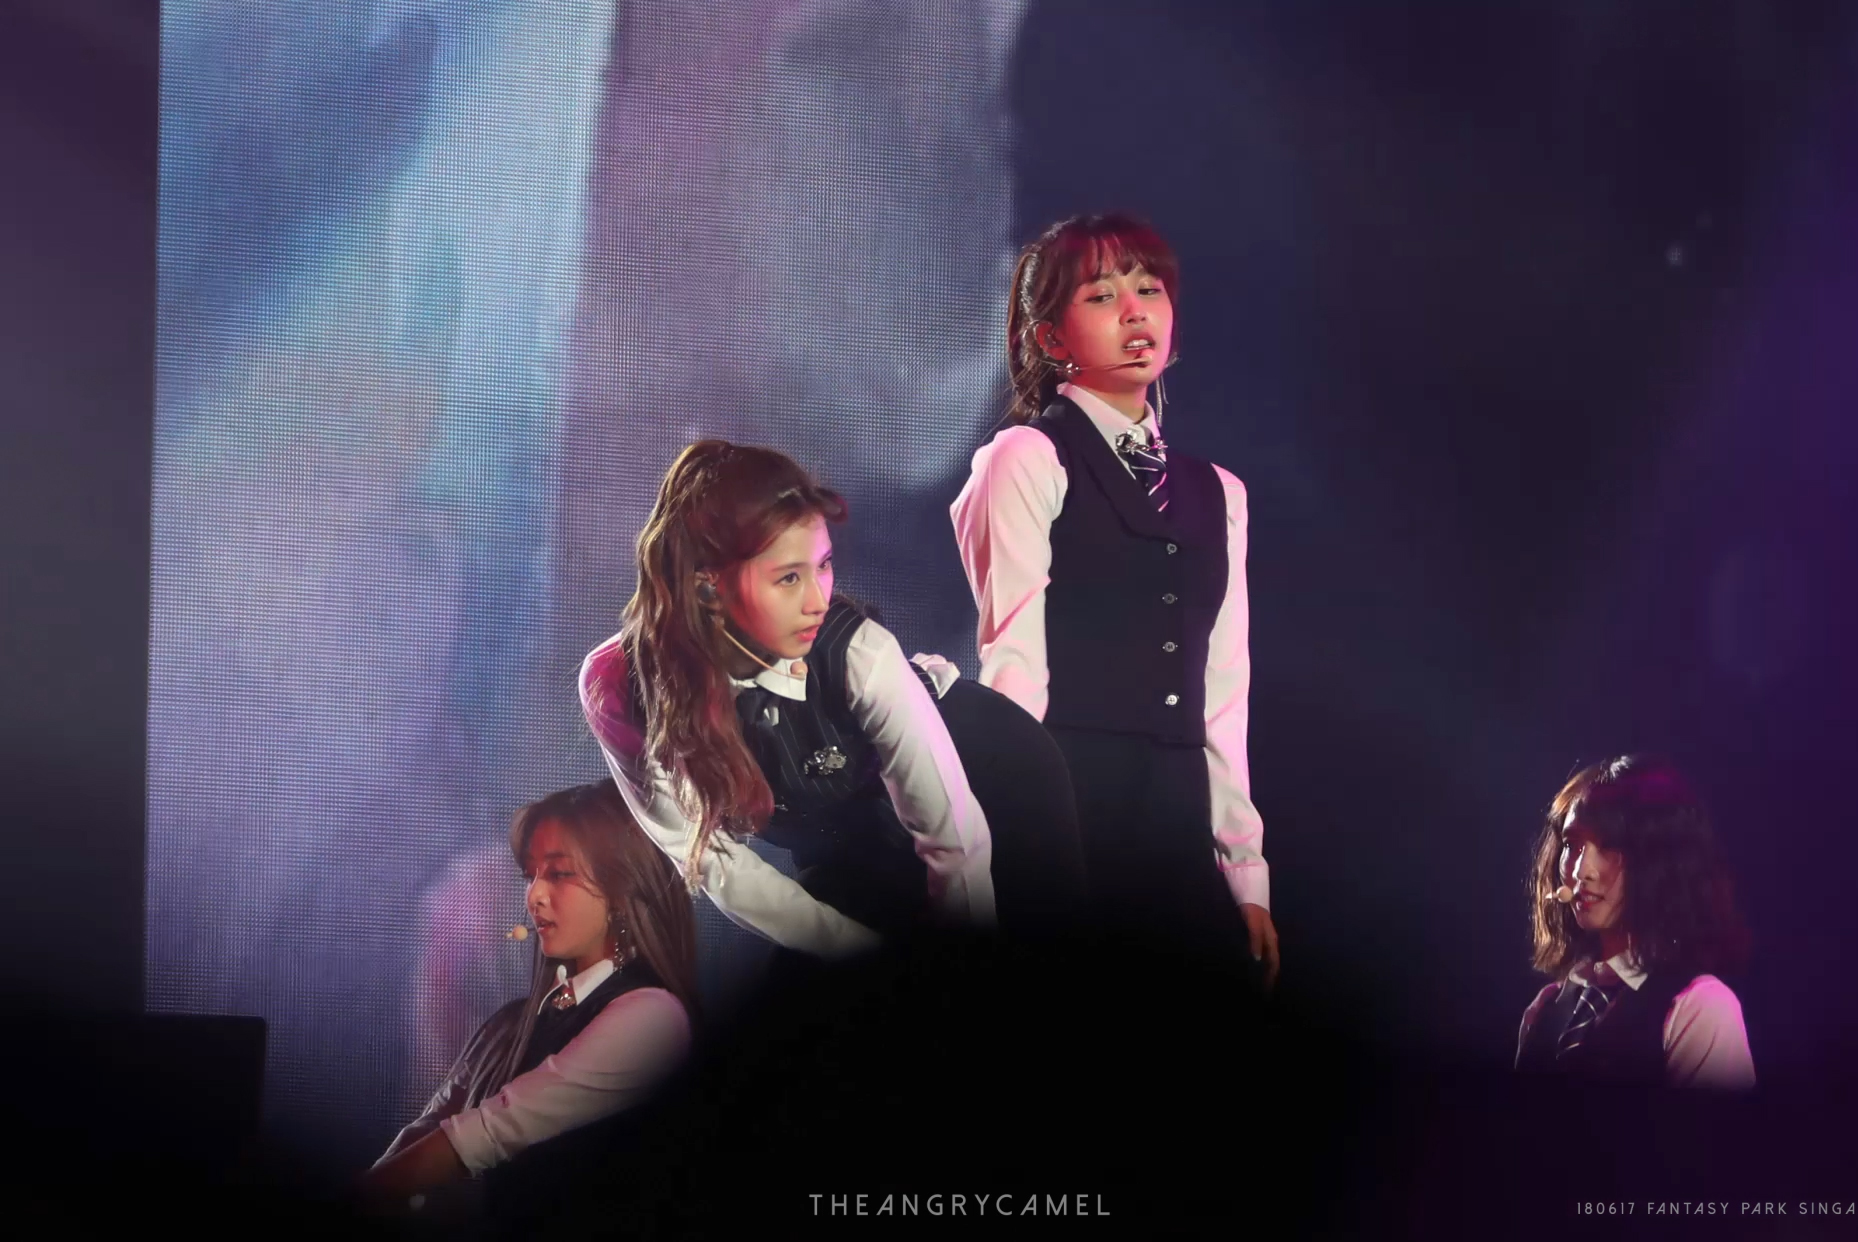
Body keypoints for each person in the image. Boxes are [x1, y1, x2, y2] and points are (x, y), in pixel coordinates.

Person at [580, 440, 1078, 957]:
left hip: (984, 784)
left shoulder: (861, 652)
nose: (819, 600)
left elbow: (954, 842)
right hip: (850, 841)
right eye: (789, 578)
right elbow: (714, 862)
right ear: (708, 590)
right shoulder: (618, 686)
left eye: (824, 564)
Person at [950, 212, 1276, 984]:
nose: (1135, 312)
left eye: (1149, 289)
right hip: (1069, 805)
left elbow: (1222, 693)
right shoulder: (1027, 457)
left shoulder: (1220, 492)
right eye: (1102, 296)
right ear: (1050, 337)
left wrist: (1245, 874)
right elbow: (1013, 664)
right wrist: (1014, 840)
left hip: (1177, 824)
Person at [360, 780, 698, 1203]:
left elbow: (491, 1131)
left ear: (619, 890)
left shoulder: (651, 1018)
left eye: (558, 873)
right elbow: (426, 1130)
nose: (534, 894)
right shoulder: (509, 1024)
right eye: (531, 875)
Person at [1515, 756, 1756, 1089]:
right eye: (1572, 845)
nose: (1581, 871)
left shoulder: (1701, 1008)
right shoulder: (1545, 1008)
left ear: (1661, 861)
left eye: (1610, 845)